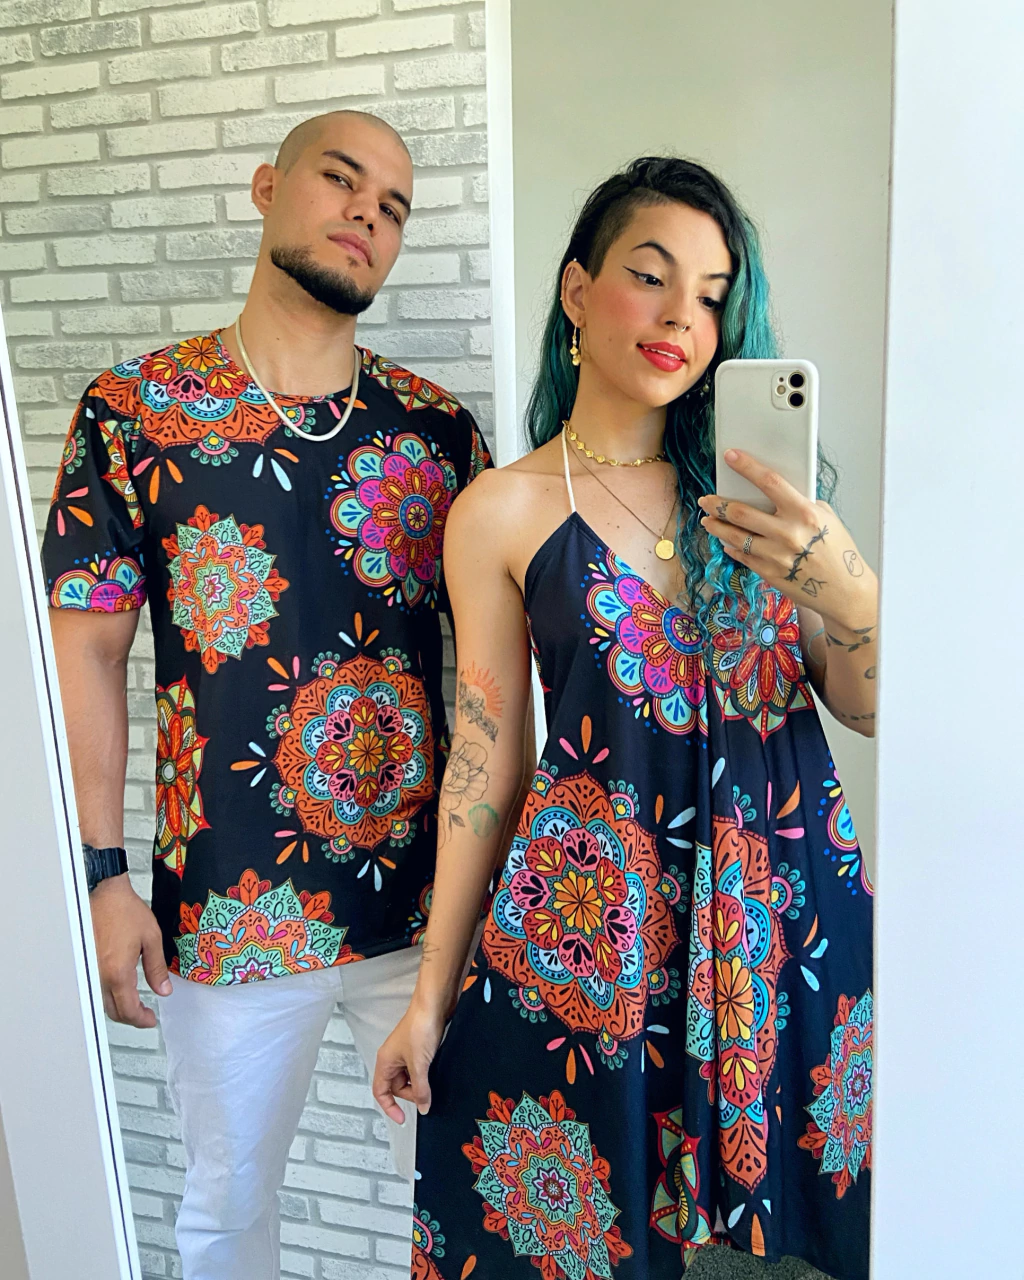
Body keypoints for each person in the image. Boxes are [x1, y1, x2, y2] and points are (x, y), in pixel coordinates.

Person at [374, 157, 875, 1280]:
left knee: (813, 1238)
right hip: (594, 930)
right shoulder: (500, 510)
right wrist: (428, 998)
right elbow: (484, 767)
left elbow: (867, 706)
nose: (681, 315)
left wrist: (850, 592)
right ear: (576, 290)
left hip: (781, 911)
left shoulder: (767, 501)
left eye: (712, 295)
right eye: (651, 276)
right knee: (577, 1234)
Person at [42, 109, 500, 1280]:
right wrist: (101, 874)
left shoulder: (439, 433)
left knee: (465, 1199)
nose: (365, 215)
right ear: (266, 185)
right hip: (227, 912)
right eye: (342, 180)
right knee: (226, 1209)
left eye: (393, 207)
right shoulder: (133, 412)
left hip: (423, 909)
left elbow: (501, 678)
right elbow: (85, 653)